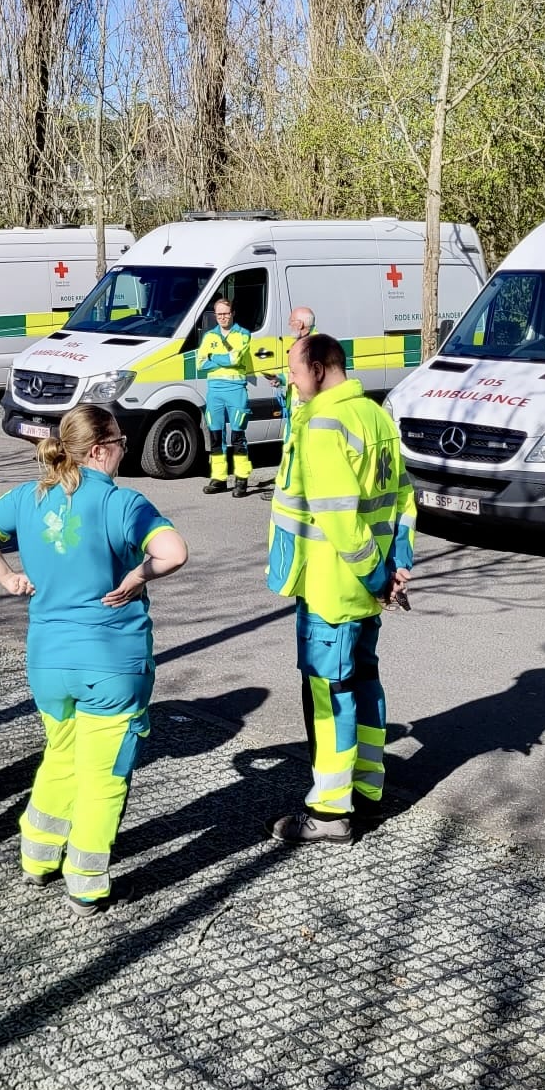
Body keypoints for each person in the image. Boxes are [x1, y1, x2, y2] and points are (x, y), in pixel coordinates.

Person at [0, 405, 187, 912]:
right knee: (104, 775)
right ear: (104, 449)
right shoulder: (123, 503)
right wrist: (137, 576)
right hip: (110, 662)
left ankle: (38, 857)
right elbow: (172, 553)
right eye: (124, 446)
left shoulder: (29, 496)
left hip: (48, 661)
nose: (124, 454)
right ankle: (87, 883)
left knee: (61, 756)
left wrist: (7, 578)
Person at [264, 332, 416, 846]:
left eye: (295, 369)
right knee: (365, 684)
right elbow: (403, 499)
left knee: (328, 698)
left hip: (333, 586)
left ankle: (329, 813)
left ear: (323, 368)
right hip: (368, 591)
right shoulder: (375, 415)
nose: (290, 378)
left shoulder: (323, 425)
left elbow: (339, 519)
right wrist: (396, 568)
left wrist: (375, 574)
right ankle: (368, 791)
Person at [197, 296, 258, 497]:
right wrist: (221, 360)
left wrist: (213, 357)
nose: (222, 317)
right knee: (215, 437)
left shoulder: (243, 334)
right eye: (219, 314)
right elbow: (200, 364)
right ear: (215, 315)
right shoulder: (209, 336)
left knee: (238, 436)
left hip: (236, 390)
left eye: (226, 313)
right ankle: (219, 478)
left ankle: (241, 480)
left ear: (233, 313)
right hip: (214, 392)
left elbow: (235, 358)